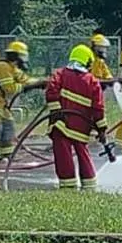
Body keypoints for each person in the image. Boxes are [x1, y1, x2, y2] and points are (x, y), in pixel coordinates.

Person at [44, 44, 107, 190]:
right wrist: (102, 129)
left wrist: (57, 112)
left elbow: (51, 92)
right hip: (81, 127)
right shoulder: (92, 81)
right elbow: (98, 108)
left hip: (61, 125)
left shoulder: (60, 74)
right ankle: (89, 183)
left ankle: (68, 185)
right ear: (87, 62)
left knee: (63, 156)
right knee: (83, 154)